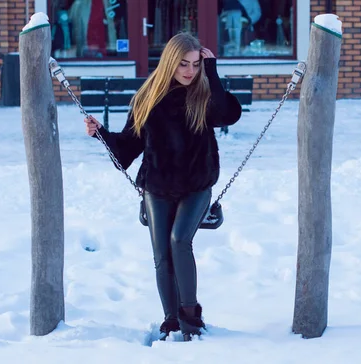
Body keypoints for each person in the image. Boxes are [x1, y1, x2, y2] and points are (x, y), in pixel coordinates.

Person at [83, 32, 242, 341]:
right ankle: (171, 321)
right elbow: (128, 148)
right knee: (162, 255)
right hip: (157, 186)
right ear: (170, 62)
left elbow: (226, 115)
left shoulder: (204, 93)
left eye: (195, 64)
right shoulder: (147, 98)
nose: (189, 71)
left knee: (179, 240)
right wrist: (101, 133)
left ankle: (191, 320)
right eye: (183, 64)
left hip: (196, 184)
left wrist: (212, 70)